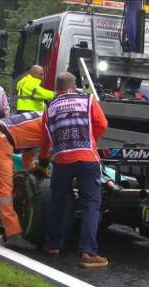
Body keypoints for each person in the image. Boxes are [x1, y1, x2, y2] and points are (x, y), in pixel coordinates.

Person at [42, 72, 109, 268]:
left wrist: (44, 161)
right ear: (75, 85)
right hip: (88, 157)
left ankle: (53, 244)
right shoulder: (87, 100)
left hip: (62, 159)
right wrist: (90, 139)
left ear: (58, 88)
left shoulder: (50, 106)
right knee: (91, 204)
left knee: (58, 201)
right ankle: (88, 252)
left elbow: (46, 137)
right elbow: (102, 124)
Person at [0, 111, 50, 250]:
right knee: (4, 193)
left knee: (8, 188)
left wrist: (32, 168)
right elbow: (45, 154)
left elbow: (29, 151)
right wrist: (42, 167)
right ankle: (13, 234)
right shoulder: (52, 124)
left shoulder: (47, 115)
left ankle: (9, 223)